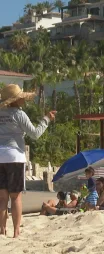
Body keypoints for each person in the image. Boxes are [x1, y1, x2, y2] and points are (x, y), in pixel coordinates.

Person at [0, 84, 56, 238]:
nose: (24, 100)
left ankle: (2, 230)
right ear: (17, 99)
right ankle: (16, 231)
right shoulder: (19, 114)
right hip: (15, 157)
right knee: (15, 196)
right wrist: (46, 119)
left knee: (2, 197)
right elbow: (35, 134)